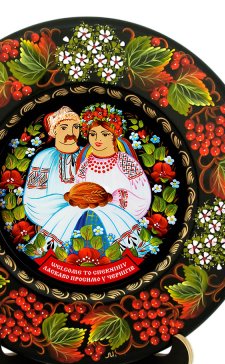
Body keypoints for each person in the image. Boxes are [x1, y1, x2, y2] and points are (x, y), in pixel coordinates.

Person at [30, 103, 151, 255]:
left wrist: (113, 199)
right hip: (79, 215)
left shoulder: (124, 161)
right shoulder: (80, 162)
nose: (98, 139)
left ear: (114, 136)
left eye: (104, 134)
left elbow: (142, 195)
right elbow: (35, 197)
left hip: (116, 216)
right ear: (54, 131)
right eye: (93, 134)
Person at [23, 106, 81, 229]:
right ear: (54, 131)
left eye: (75, 127)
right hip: (52, 217)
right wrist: (66, 205)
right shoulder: (43, 158)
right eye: (64, 128)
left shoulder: (88, 154)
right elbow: (33, 197)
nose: (71, 132)